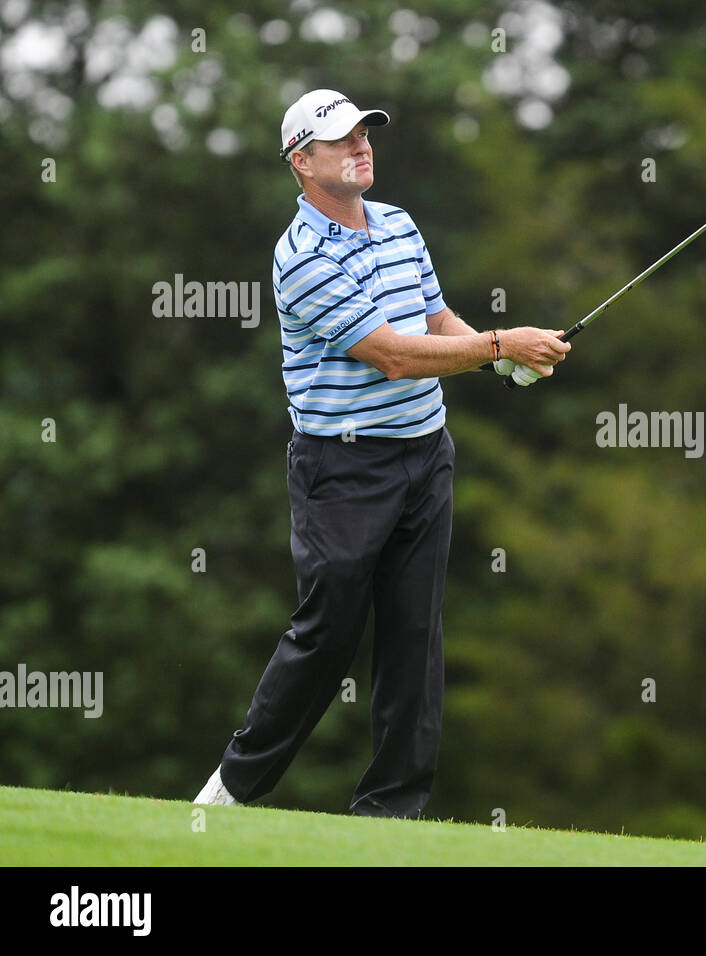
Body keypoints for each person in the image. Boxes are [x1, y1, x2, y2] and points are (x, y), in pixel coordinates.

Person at [194, 88, 570, 818]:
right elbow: (391, 355)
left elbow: (433, 319)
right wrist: (499, 345)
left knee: (414, 635)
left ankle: (390, 817)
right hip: (342, 467)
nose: (362, 145)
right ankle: (230, 792)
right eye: (341, 140)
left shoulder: (398, 225)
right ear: (302, 162)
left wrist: (499, 360)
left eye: (366, 133)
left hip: (425, 456)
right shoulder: (299, 258)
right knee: (328, 630)